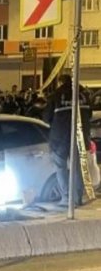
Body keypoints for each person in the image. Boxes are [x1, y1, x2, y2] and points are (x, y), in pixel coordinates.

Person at [43, 75, 92, 207]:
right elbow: (90, 115)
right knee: (77, 168)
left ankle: (66, 198)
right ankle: (77, 198)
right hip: (80, 135)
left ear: (60, 82)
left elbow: (46, 117)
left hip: (61, 137)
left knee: (60, 166)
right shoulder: (83, 94)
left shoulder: (56, 95)